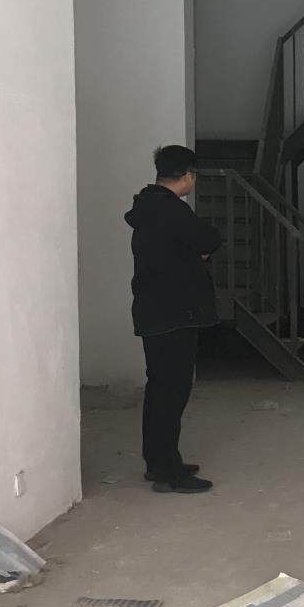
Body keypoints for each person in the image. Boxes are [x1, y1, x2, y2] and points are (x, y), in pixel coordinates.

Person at [124, 145, 221, 494]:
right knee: (172, 391)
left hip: (154, 309)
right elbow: (209, 239)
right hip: (175, 313)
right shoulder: (172, 210)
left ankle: (158, 461)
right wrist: (198, 253)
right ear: (188, 176)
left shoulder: (147, 207)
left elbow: (173, 252)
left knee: (159, 388)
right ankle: (168, 470)